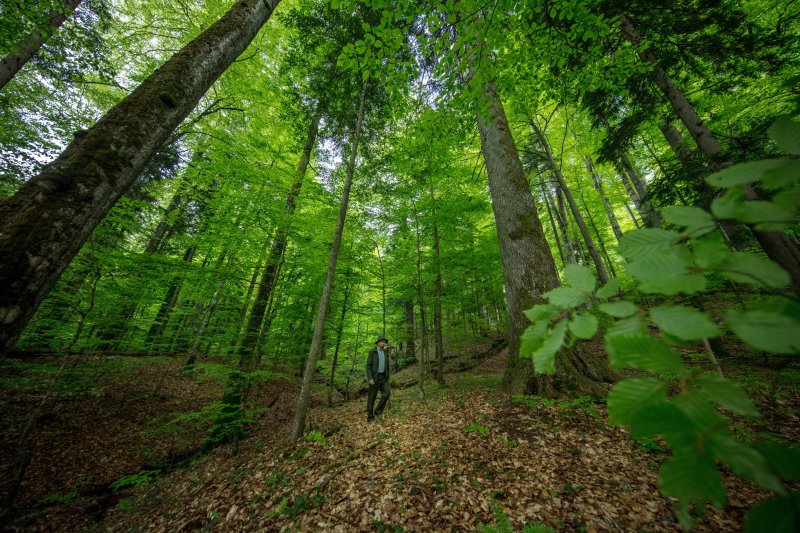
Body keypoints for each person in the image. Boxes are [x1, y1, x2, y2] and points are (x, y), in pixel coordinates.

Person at [366, 335, 391, 422]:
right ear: (378, 342)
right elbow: (368, 366)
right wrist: (370, 378)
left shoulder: (385, 352)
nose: (384, 343)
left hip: (383, 377)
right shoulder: (372, 352)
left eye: (384, 342)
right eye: (382, 342)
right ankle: (370, 417)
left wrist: (387, 376)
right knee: (372, 397)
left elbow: (387, 365)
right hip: (374, 378)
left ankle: (378, 411)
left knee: (387, 393)